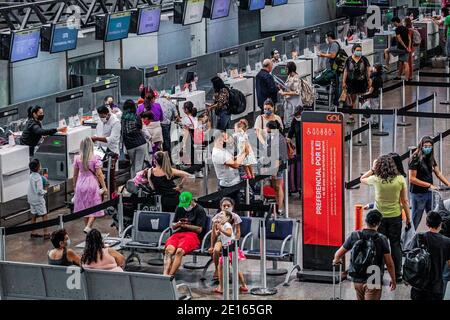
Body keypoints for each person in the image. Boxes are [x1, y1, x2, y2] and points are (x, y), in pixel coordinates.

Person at [361, 155, 412, 281]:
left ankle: (379, 273)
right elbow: (404, 201)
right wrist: (409, 219)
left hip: (379, 218)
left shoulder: (375, 179)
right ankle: (398, 273)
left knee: (379, 246)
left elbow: (362, 179)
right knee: (395, 245)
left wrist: (373, 169)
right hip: (395, 216)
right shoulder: (400, 179)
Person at [333, 209, 396, 300]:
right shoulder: (382, 239)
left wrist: (337, 260)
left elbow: (338, 254)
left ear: (365, 221)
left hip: (357, 278)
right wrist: (393, 279)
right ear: (378, 223)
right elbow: (389, 264)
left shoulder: (354, 235)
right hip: (373, 278)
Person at [409, 136, 450, 229]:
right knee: (415, 219)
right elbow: (412, 179)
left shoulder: (430, 157)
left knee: (434, 219)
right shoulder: (415, 158)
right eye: (426, 146)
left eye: (430, 146)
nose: (428, 148)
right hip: (418, 194)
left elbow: (438, 173)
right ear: (421, 146)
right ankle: (409, 241)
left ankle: (434, 238)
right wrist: (429, 185)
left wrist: (448, 184)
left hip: (429, 193)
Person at [407, 211, 450, 300]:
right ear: (440, 224)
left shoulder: (418, 237)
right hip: (436, 287)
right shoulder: (447, 242)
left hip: (418, 285)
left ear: (427, 223)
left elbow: (409, 259)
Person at [163, 192, 206, 276]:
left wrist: (185, 225)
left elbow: (199, 229)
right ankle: (165, 274)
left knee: (179, 251)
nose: (185, 206)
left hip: (192, 235)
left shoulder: (200, 210)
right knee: (168, 250)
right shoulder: (180, 208)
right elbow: (173, 226)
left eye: (187, 204)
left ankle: (170, 275)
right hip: (178, 233)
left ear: (192, 200)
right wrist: (178, 224)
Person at [73, 137, 108, 234]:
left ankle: (87, 229)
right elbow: (100, 174)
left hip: (80, 183)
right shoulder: (95, 158)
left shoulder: (77, 158)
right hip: (92, 183)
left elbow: (75, 175)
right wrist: (104, 187)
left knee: (85, 207)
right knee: (95, 206)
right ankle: (88, 226)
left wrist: (74, 187)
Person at [212, 210, 248, 294]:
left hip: (231, 248)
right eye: (219, 214)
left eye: (222, 214)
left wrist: (221, 229)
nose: (219, 216)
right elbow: (217, 234)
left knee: (234, 268)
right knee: (223, 266)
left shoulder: (227, 225)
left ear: (227, 218)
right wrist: (215, 226)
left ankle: (223, 287)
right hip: (227, 248)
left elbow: (229, 233)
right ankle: (243, 286)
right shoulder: (222, 225)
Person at [209, 198, 242, 283]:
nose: (226, 207)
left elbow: (238, 232)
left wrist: (235, 243)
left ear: (232, 206)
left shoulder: (235, 217)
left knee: (230, 257)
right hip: (221, 238)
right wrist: (212, 246)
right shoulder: (217, 217)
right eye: (224, 206)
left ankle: (232, 276)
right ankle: (216, 269)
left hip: (231, 239)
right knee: (216, 250)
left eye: (228, 206)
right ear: (220, 207)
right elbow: (214, 234)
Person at [212, 130, 249, 204]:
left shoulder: (222, 150)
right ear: (219, 138)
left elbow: (233, 159)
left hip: (233, 183)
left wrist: (241, 154)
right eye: (224, 137)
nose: (226, 139)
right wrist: (244, 153)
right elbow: (235, 165)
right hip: (228, 186)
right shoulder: (218, 153)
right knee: (229, 207)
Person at [91, 105, 121, 196]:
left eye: (103, 116)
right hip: (100, 151)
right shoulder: (100, 121)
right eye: (100, 116)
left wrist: (97, 138)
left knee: (110, 176)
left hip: (111, 151)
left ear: (107, 114)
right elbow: (98, 132)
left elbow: (112, 139)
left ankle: (112, 196)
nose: (101, 118)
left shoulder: (115, 122)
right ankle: (101, 195)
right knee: (99, 174)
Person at [342, 43, 371, 124]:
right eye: (357, 50)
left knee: (363, 100)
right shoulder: (349, 60)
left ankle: (364, 117)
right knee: (352, 100)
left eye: (360, 50)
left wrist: (369, 80)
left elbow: (368, 70)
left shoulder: (364, 59)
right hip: (351, 83)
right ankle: (351, 117)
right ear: (353, 51)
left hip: (362, 82)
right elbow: (346, 71)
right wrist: (343, 82)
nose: (359, 52)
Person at [264, 120, 289, 215]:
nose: (266, 131)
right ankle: (278, 204)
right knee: (275, 187)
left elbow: (279, 158)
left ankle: (280, 208)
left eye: (268, 129)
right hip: (272, 164)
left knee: (278, 187)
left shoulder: (279, 139)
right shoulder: (272, 137)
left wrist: (274, 171)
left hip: (278, 166)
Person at [121, 99, 147, 178]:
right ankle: (137, 185)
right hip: (140, 143)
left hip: (129, 145)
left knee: (133, 164)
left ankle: (132, 183)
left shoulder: (122, 118)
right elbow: (140, 128)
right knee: (139, 166)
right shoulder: (137, 116)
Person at [28, 159, 49, 239]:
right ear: (38, 167)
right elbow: (39, 191)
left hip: (31, 199)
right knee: (44, 215)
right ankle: (46, 233)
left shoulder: (31, 176)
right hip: (38, 200)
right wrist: (46, 190)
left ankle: (33, 232)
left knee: (33, 215)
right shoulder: (38, 178)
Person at [318, 32, 341, 108]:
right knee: (334, 85)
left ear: (329, 37)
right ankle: (333, 102)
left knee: (336, 85)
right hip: (332, 68)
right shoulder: (331, 45)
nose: (326, 39)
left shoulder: (334, 44)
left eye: (326, 37)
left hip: (335, 69)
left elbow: (333, 55)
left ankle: (336, 103)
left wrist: (322, 55)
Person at [180, 101, 203, 177]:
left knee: (192, 156)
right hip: (197, 139)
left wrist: (183, 144)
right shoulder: (195, 118)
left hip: (190, 139)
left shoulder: (186, 119)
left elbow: (186, 132)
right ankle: (199, 171)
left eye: (183, 108)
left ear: (186, 110)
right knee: (197, 156)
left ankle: (192, 173)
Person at [279, 61, 302, 131]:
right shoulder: (289, 76)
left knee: (292, 121)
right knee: (288, 120)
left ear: (290, 69)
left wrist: (284, 93)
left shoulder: (296, 78)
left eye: (286, 69)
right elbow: (289, 87)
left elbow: (297, 92)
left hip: (294, 104)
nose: (285, 70)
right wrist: (282, 87)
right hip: (288, 102)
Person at [287, 106, 302, 195]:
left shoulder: (307, 120)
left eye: (298, 115)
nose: (297, 117)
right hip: (299, 148)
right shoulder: (295, 121)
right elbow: (291, 131)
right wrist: (288, 138)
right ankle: (298, 186)